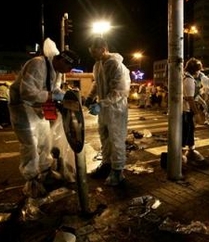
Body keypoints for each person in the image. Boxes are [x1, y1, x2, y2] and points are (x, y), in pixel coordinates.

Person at [8, 48, 80, 198]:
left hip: (38, 108)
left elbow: (54, 90)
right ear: (62, 60)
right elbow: (27, 92)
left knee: (44, 141)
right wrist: (52, 95)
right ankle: (32, 181)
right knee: (30, 145)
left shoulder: (57, 72)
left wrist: (60, 97)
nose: (68, 71)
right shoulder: (37, 65)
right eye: (68, 67)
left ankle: (46, 173)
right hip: (23, 108)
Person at [84, 37, 131, 186]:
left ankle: (117, 171)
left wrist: (101, 103)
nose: (93, 55)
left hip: (116, 109)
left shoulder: (116, 65)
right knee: (104, 137)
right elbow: (97, 82)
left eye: (94, 52)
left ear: (103, 49)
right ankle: (106, 165)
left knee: (116, 140)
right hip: (105, 109)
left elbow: (120, 91)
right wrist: (90, 97)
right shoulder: (98, 65)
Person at [182, 58, 205, 162]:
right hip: (186, 110)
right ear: (196, 70)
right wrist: (197, 114)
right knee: (187, 130)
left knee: (189, 129)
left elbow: (194, 96)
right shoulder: (189, 80)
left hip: (185, 109)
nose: (199, 72)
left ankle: (190, 148)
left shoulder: (187, 78)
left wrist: (202, 102)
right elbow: (190, 99)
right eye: (199, 70)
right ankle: (182, 153)